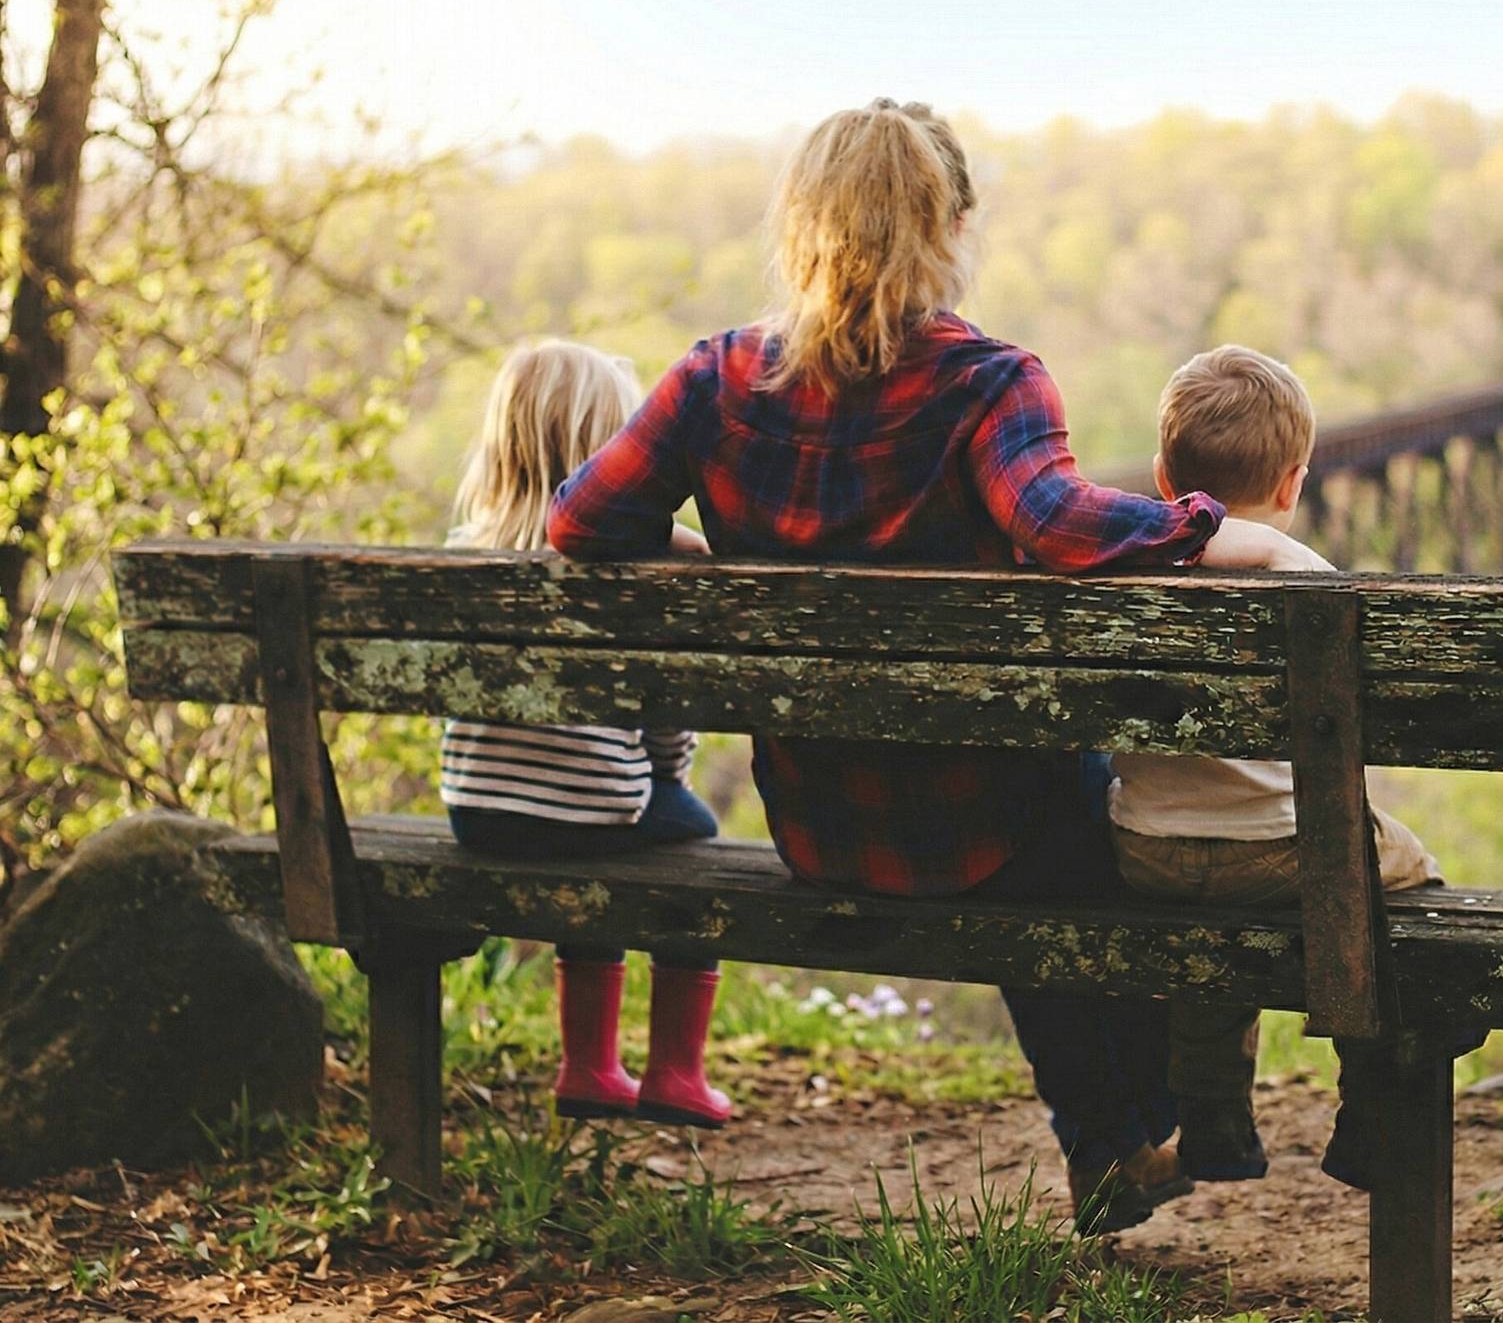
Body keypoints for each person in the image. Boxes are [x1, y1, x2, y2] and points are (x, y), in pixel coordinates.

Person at [545, 99, 1324, 1231]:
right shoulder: (989, 384)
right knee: (1086, 804)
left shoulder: (716, 381)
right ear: (951, 224)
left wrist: (704, 552)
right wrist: (1210, 524)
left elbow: (580, 520)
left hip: (821, 828)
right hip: (990, 830)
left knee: (1046, 800)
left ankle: (1113, 1138)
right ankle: (1124, 1126)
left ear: (803, 226)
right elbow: (1056, 524)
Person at [1108, 345, 1442, 1187]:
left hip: (1144, 851)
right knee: (1405, 874)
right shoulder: (1309, 578)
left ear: (1161, 475)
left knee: (1209, 924)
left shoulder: (1127, 566)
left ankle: (1214, 1111)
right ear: (1293, 484)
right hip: (1280, 852)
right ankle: (1373, 1102)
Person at [441, 339, 732, 1130]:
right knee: (693, 839)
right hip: (591, 808)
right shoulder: (625, 567)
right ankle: (675, 1071)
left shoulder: (463, 557)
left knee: (599, 828)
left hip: (477, 810)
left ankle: (589, 1065)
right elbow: (666, 713)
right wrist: (663, 774)